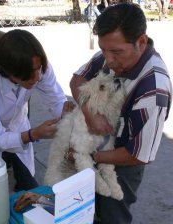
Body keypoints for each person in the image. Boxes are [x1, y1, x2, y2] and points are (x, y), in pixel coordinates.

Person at [69, 3, 172, 224]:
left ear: (141, 42)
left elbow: (139, 154)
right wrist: (89, 114)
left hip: (121, 166)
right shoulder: (109, 55)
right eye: (103, 50)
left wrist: (90, 157)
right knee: (83, 209)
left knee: (112, 215)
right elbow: (77, 79)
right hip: (95, 148)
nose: (108, 60)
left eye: (116, 52)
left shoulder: (154, 89)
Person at [0, 29, 72, 192]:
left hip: (15, 119)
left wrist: (70, 118)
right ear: (7, 72)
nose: (37, 78)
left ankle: (21, 186)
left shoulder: (36, 64)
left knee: (28, 182)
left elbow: (56, 100)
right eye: (28, 76)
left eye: (39, 69)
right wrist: (34, 134)